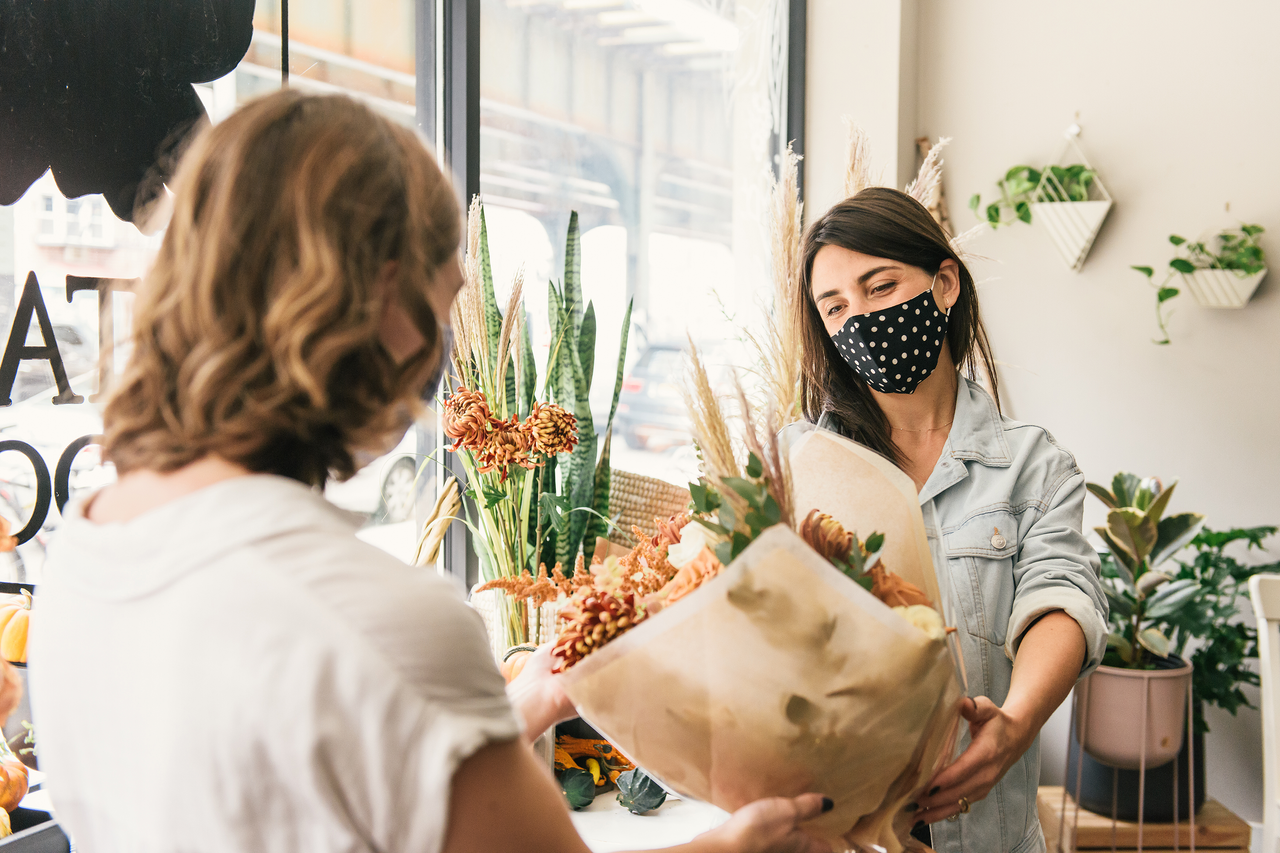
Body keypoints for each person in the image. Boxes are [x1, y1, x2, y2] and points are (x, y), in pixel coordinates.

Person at [28, 90, 832, 853]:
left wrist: (531, 698)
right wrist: (734, 842)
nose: (446, 355)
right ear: (373, 304)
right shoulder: (381, 619)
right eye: (443, 304)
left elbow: (293, 783)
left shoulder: (87, 551)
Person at [798, 187, 1108, 853]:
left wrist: (1017, 722)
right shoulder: (803, 472)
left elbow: (1062, 593)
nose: (859, 319)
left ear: (943, 284)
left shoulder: (1033, 465)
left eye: (879, 287)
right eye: (835, 307)